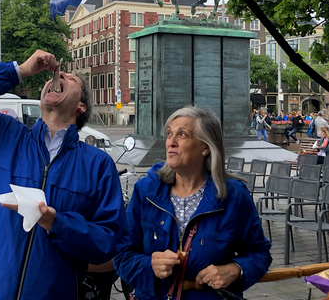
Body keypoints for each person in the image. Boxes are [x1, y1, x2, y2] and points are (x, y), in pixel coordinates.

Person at [0, 49, 128, 300]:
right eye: (56, 75)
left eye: (70, 78)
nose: (58, 76)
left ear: (81, 106)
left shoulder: (97, 164)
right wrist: (20, 71)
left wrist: (56, 223)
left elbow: (110, 242)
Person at [115, 106, 272, 299]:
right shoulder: (146, 190)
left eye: (182, 134)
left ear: (205, 147)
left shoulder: (233, 196)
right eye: (169, 134)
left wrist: (235, 269)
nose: (171, 142)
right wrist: (149, 265)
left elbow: (260, 253)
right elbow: (122, 254)